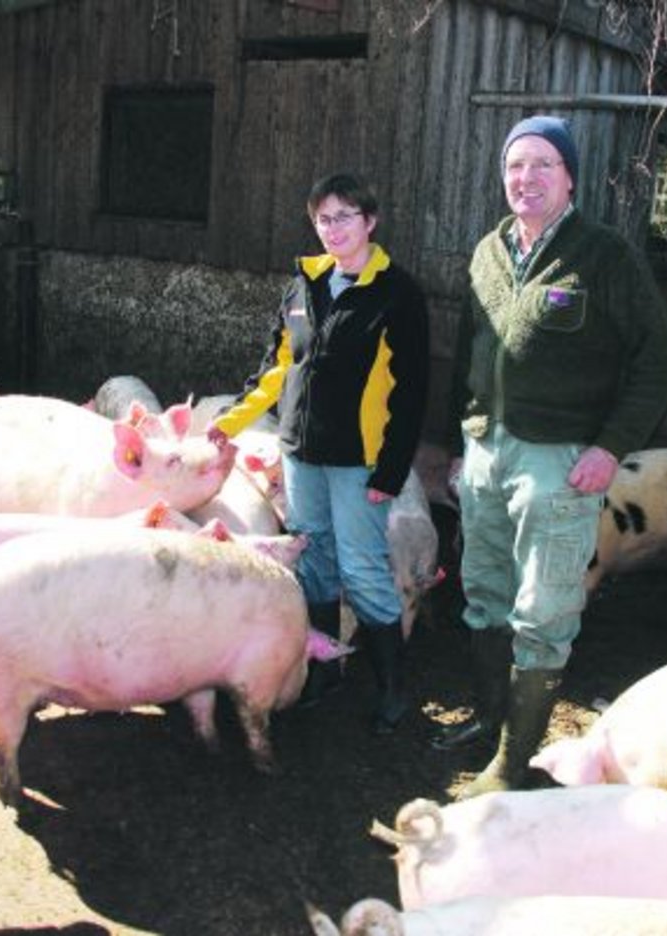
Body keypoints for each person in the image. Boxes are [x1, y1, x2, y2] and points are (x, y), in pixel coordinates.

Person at [432, 115, 667, 797]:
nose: (526, 178)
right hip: (487, 453)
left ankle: (512, 764)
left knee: (543, 614)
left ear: (569, 177)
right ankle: (488, 722)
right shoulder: (487, 252)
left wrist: (610, 448)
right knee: (482, 594)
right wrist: (460, 446)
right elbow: (469, 360)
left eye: (543, 165)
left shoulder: (605, 256)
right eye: (516, 165)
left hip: (560, 459)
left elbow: (658, 362)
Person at [208, 172, 430, 735]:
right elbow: (277, 369)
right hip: (301, 453)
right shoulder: (302, 286)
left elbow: (411, 390)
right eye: (324, 219)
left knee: (362, 569)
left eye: (345, 217)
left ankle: (394, 690)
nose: (334, 228)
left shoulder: (396, 293)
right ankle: (328, 672)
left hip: (360, 460)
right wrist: (228, 423)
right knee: (314, 561)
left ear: (370, 222)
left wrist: (393, 467)